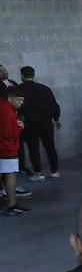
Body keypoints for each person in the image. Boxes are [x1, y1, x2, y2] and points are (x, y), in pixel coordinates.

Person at [15, 67, 59, 181]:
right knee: (50, 147)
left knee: (33, 148)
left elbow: (18, 108)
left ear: (22, 76)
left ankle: (39, 173)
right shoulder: (44, 88)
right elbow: (54, 105)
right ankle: (54, 171)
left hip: (29, 124)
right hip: (46, 123)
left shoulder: (18, 90)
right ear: (33, 75)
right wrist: (56, 118)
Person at [0, 88, 27, 217]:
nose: (21, 103)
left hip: (4, 147)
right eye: (19, 100)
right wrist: (19, 126)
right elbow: (9, 134)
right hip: (7, 147)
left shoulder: (5, 109)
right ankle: (12, 204)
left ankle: (12, 203)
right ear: (10, 98)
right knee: (10, 174)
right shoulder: (7, 112)